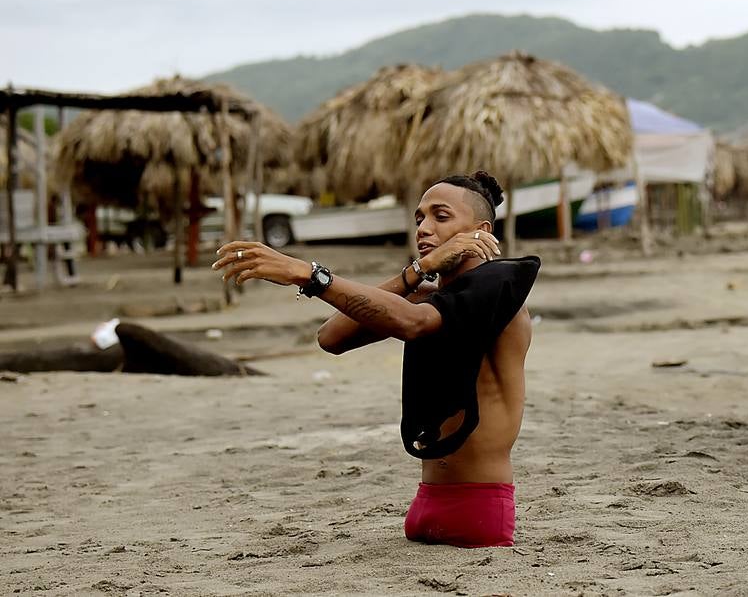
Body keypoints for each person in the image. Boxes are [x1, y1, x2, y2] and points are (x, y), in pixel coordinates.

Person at [211, 171, 537, 548]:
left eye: (441, 216)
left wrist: (308, 274)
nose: (424, 228)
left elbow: (412, 323)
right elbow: (331, 337)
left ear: (481, 231)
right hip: (425, 504)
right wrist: (414, 273)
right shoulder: (431, 297)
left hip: (478, 506)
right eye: (419, 218)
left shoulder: (500, 287)